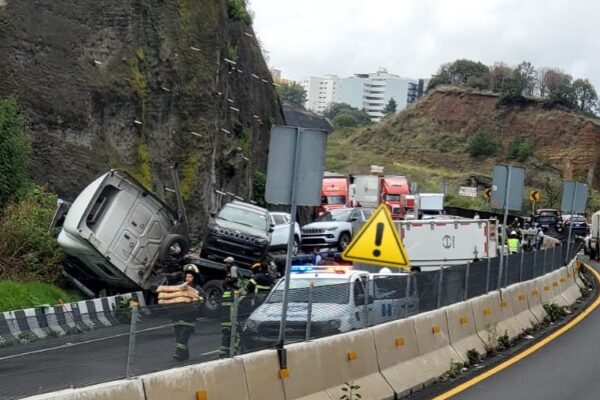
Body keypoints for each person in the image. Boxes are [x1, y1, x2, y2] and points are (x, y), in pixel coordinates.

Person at [155, 264, 204, 361]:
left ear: (194, 277)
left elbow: (202, 298)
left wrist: (196, 301)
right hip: (177, 317)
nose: (188, 278)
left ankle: (178, 353)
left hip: (189, 318)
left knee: (183, 337)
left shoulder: (197, 289)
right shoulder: (179, 286)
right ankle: (184, 356)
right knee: (179, 338)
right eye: (187, 276)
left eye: (190, 276)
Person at [220, 256, 242, 358]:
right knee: (228, 330)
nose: (226, 265)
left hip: (235, 298)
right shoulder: (230, 270)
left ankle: (233, 349)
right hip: (228, 309)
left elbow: (234, 279)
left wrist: (226, 282)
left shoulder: (233, 268)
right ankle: (225, 351)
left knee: (233, 330)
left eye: (227, 263)